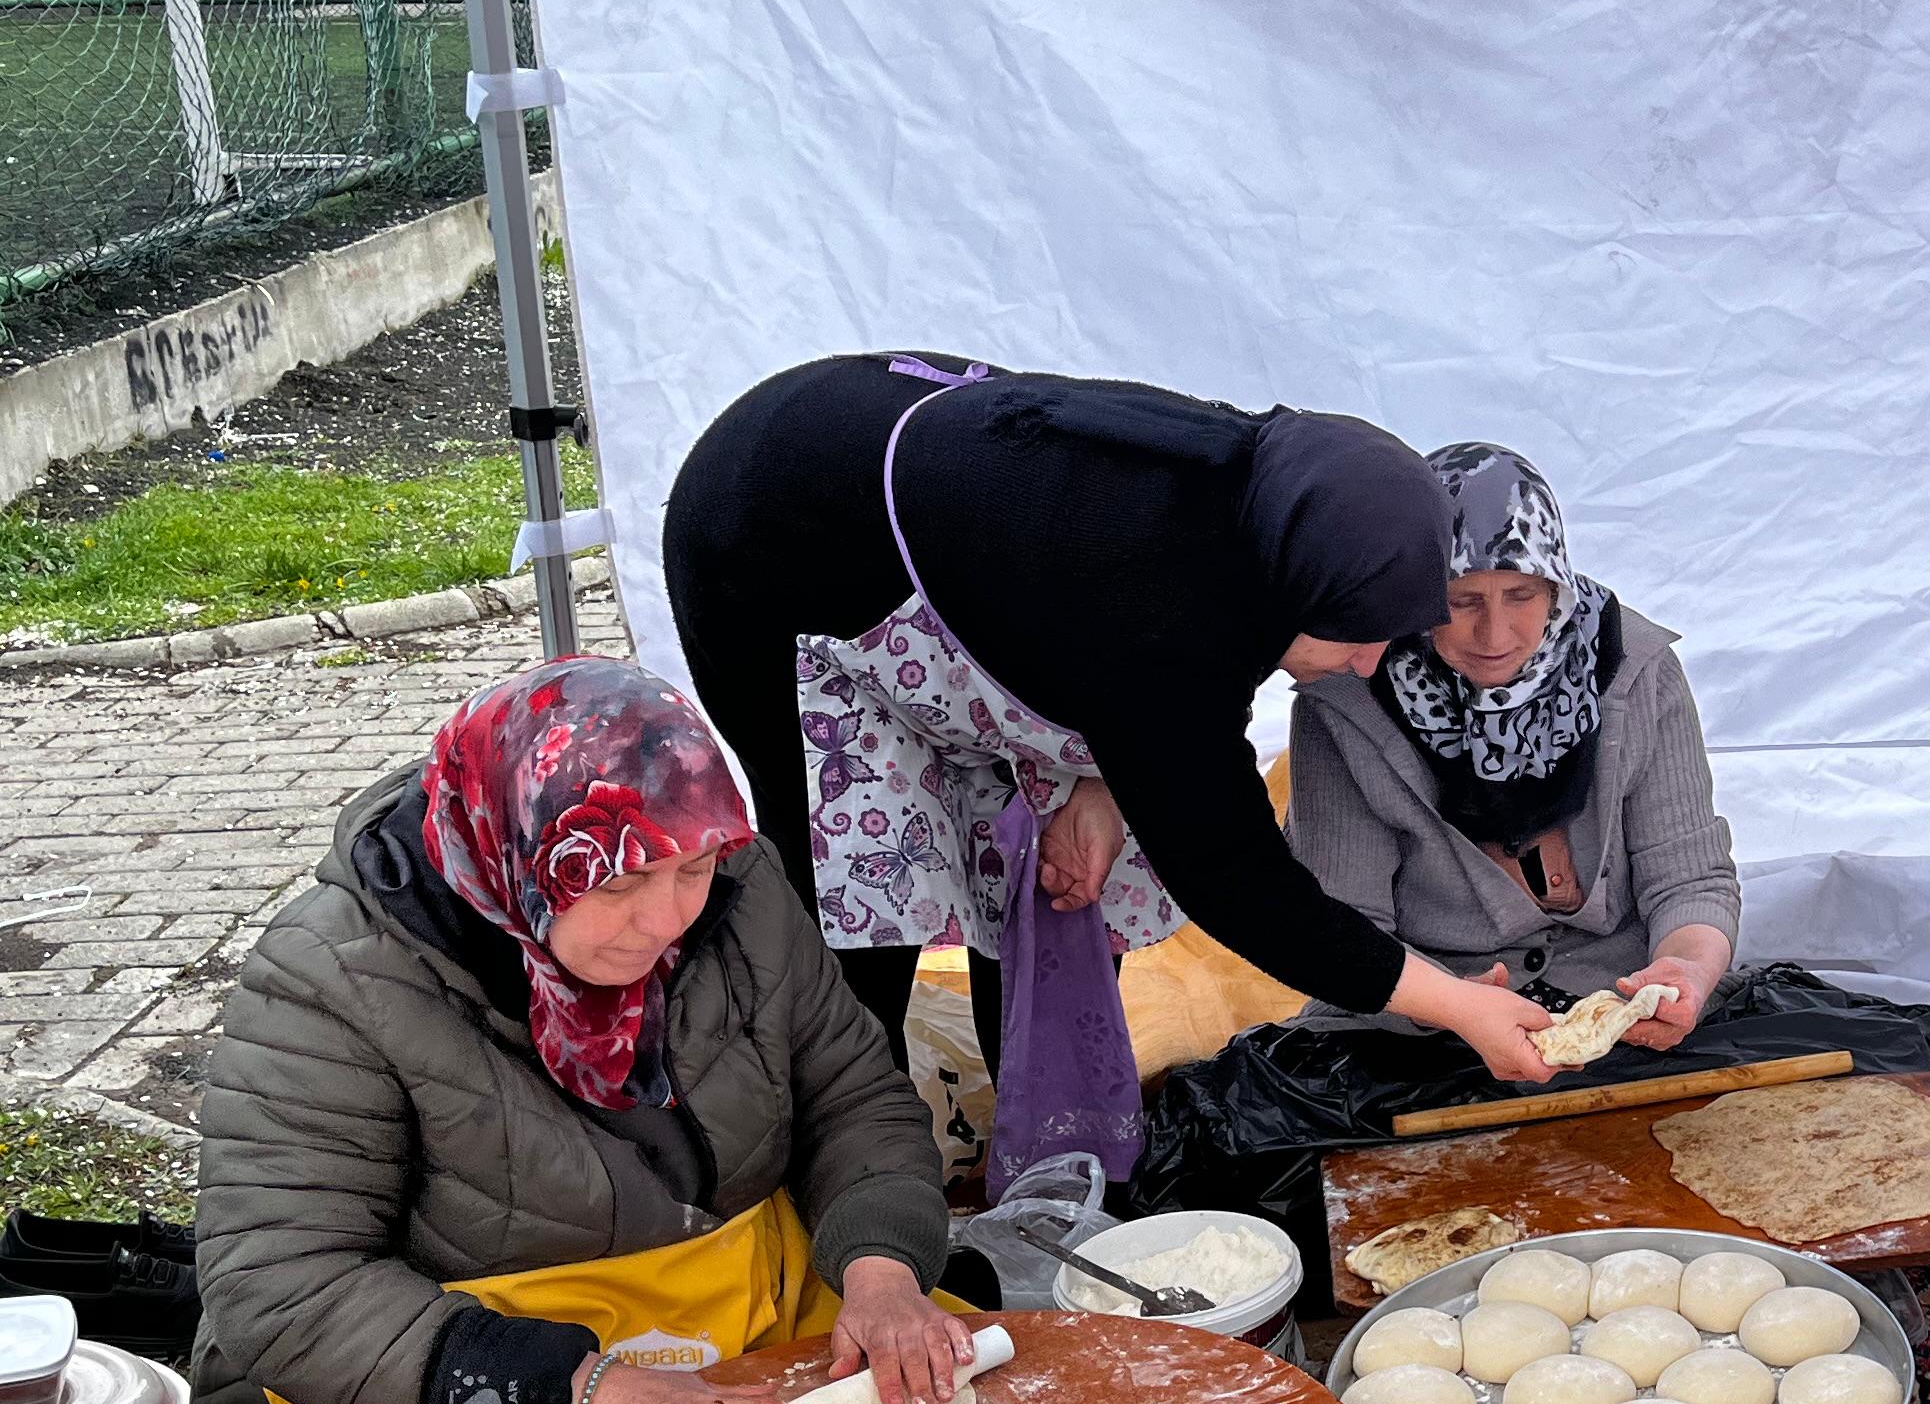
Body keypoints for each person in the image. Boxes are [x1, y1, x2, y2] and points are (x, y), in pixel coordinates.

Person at [192, 659, 962, 1404]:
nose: (666, 919)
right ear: (518, 855)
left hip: (732, 1300)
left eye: (691, 869)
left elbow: (852, 1097)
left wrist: (883, 1273)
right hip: (468, 1370)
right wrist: (586, 1391)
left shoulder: (741, 894)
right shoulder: (334, 978)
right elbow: (281, 1284)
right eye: (620, 882)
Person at [664, 354, 1557, 1088]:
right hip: (773, 529)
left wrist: (1104, 786)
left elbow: (1164, 700)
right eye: (1353, 636)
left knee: (1049, 874)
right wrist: (1455, 1004)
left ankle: (1040, 1141)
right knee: (855, 903)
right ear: (1288, 584)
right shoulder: (1157, 605)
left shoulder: (1267, 510)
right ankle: (854, 1158)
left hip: (981, 534)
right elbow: (1239, 880)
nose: (1367, 664)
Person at [1286, 441, 1740, 1033]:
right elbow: (1339, 927)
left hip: (1620, 1003)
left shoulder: (1637, 670)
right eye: (1461, 601)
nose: (1494, 634)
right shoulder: (1348, 701)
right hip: (1413, 1019)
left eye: (1521, 595)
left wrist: (1685, 971)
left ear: (1556, 587)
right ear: (1413, 595)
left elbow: (1690, 880)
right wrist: (1445, 1004)